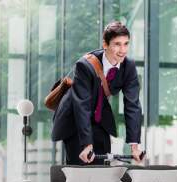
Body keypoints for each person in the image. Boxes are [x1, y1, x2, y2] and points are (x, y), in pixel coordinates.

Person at [51, 21, 143, 164]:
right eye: (117, 44)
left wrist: (134, 146)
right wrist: (87, 144)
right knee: (81, 167)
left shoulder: (128, 67)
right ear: (105, 45)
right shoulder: (85, 65)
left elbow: (133, 105)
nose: (123, 50)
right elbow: (82, 105)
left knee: (102, 166)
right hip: (75, 117)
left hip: (99, 118)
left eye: (126, 44)